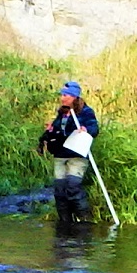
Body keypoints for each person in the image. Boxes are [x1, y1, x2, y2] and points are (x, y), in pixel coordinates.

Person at [38, 81, 99, 225]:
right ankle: (65, 223)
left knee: (73, 186)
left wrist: (86, 130)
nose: (63, 98)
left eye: (66, 95)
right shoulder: (62, 112)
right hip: (60, 155)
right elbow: (60, 131)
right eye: (62, 95)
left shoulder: (86, 112)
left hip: (77, 156)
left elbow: (94, 128)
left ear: (74, 97)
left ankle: (84, 221)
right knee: (60, 191)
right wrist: (51, 130)